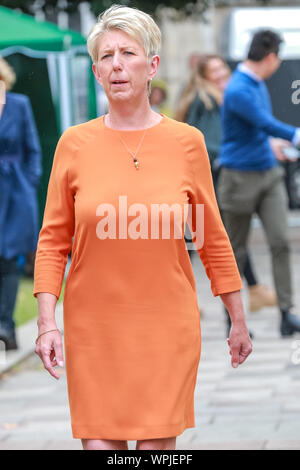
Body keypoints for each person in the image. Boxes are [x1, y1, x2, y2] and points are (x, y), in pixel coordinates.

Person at [33, 5, 252, 451]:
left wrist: (238, 317)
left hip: (165, 326)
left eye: (128, 53)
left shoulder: (187, 142)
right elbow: (53, 240)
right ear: (95, 71)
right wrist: (45, 322)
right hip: (95, 329)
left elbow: (211, 236)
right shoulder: (73, 144)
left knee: (155, 451)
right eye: (107, 56)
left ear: (152, 66)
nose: (117, 64)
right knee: (100, 448)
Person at [175, 54, 277, 316]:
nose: (221, 74)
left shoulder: (207, 97)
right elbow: (209, 142)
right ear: (204, 76)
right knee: (215, 240)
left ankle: (252, 290)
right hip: (211, 180)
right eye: (214, 71)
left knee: (221, 239)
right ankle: (185, 299)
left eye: (222, 68)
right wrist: (232, 153)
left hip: (203, 179)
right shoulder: (208, 100)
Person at [217, 29, 300, 338]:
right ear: (271, 57)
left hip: (268, 174)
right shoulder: (238, 88)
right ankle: (232, 320)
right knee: (234, 252)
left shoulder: (255, 84)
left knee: (280, 242)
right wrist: (294, 135)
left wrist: (272, 145)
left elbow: (256, 130)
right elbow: (263, 122)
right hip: (238, 178)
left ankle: (286, 314)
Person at [0, 56, 42, 350]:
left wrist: (29, 182)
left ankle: (6, 326)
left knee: (10, 259)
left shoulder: (19, 104)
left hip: (14, 190)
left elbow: (33, 149)